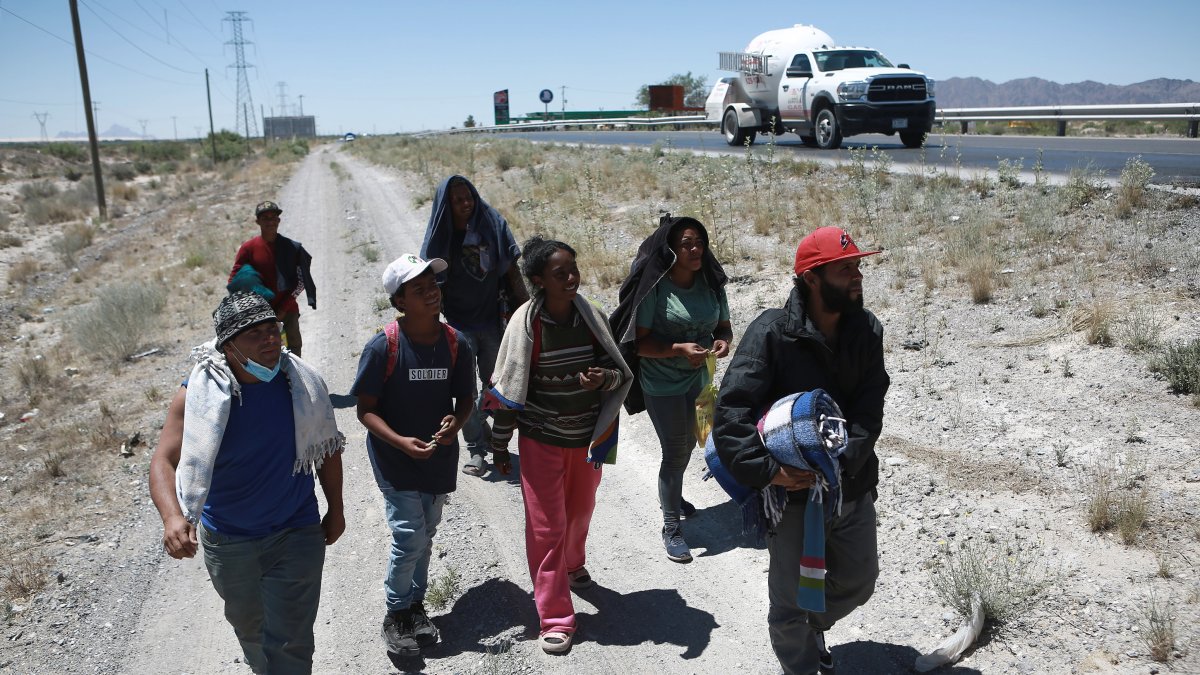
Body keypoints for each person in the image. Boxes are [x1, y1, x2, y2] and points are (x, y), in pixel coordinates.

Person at [712, 227, 889, 675]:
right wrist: (770, 471)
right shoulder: (772, 333)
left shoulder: (866, 329)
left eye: (857, 266)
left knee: (859, 580)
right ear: (812, 278)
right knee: (790, 601)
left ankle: (810, 625)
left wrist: (839, 465)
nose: (857, 276)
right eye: (845, 269)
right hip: (790, 492)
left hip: (850, 482)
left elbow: (869, 408)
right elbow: (731, 412)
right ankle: (801, 662)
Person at [149, 291, 345, 674]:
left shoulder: (301, 384)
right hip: (230, 541)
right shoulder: (198, 395)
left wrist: (336, 509)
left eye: (272, 328)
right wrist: (172, 517)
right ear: (228, 346)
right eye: (254, 333)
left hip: (297, 530)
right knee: (251, 632)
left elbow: (327, 448)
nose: (270, 339)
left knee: (292, 642)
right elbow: (163, 461)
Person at [483, 236, 632, 654]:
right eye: (559, 273)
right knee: (546, 527)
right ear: (538, 281)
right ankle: (555, 618)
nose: (571, 278)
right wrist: (500, 446)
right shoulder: (525, 325)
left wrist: (602, 379)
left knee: (580, 510)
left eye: (573, 269)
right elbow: (509, 390)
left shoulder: (591, 316)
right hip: (541, 439)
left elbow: (617, 370)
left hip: (587, 439)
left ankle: (573, 563)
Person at [350, 254, 476, 656]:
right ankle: (396, 613)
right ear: (399, 301)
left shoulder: (455, 343)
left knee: (427, 534)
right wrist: (401, 442)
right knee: (409, 536)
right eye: (418, 288)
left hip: (437, 457)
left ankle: (416, 606)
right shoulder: (383, 346)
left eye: (432, 285)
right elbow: (365, 410)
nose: (430, 293)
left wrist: (456, 422)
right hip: (395, 459)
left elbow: (466, 398)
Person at [610, 215, 732, 563]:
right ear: (671, 251)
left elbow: (724, 327)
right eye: (686, 244)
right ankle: (671, 527)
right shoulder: (658, 289)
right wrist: (678, 349)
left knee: (691, 442)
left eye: (699, 243)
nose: (695, 250)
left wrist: (722, 342)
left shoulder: (711, 284)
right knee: (675, 450)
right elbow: (640, 344)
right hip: (661, 382)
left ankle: (672, 495)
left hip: (699, 380)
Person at [420, 176, 528, 477]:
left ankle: (481, 425)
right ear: (446, 205)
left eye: (468, 197)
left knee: (497, 384)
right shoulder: (440, 237)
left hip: (493, 321)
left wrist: (527, 312)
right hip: (459, 325)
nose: (466, 203)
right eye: (457, 200)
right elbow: (430, 287)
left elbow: (511, 270)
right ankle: (476, 449)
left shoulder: (491, 224)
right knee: (465, 389)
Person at [230, 201, 317, 357]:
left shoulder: (292, 248)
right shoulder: (248, 248)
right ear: (258, 221)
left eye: (273, 217)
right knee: (264, 354)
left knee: (294, 352)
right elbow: (236, 278)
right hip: (259, 314)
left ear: (278, 220)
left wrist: (283, 308)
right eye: (265, 218)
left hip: (288, 312)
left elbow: (301, 281)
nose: (270, 222)